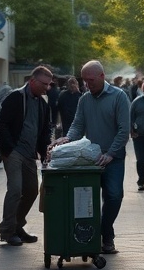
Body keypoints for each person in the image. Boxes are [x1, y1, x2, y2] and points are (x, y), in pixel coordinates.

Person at [54, 60, 130, 254]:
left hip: (114, 158)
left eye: (91, 80)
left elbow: (124, 130)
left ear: (102, 76)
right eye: (85, 81)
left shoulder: (119, 97)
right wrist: (67, 138)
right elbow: (78, 124)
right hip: (90, 158)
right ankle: (91, 236)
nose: (87, 84)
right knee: (87, 201)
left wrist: (111, 153)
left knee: (114, 196)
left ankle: (106, 233)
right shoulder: (84, 99)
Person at [0, 66, 53, 246]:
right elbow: (2, 123)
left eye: (49, 84)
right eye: (44, 84)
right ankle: (7, 231)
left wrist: (44, 153)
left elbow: (44, 131)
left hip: (29, 154)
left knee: (31, 191)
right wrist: (10, 148)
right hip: (13, 152)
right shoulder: (15, 97)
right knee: (15, 189)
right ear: (33, 81)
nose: (47, 88)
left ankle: (17, 225)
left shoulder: (42, 103)